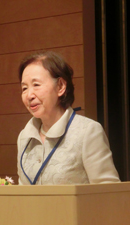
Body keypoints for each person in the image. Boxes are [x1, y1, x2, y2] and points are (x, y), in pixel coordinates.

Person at [17, 51, 120, 185]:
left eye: (36, 85)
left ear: (60, 86)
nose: (29, 95)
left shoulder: (87, 131)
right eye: (24, 88)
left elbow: (107, 191)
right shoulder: (24, 137)